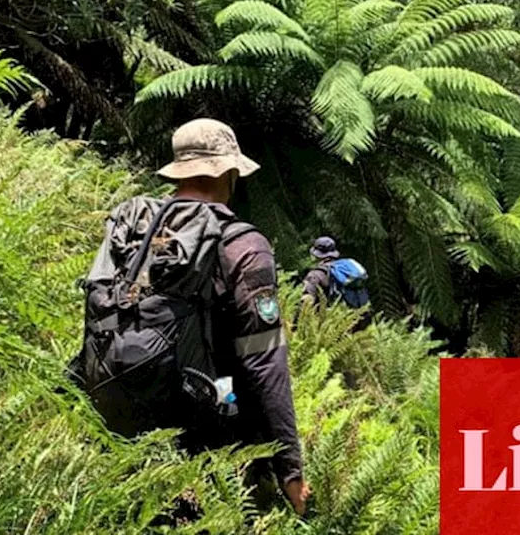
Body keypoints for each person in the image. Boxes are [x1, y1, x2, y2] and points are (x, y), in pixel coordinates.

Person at [75, 118, 310, 515]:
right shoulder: (243, 245)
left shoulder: (135, 230)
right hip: (213, 433)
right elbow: (265, 361)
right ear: (231, 172)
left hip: (125, 426)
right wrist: (290, 469)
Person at [300, 236, 341, 307]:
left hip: (324, 316)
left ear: (316, 255)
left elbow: (307, 301)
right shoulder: (342, 271)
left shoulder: (314, 275)